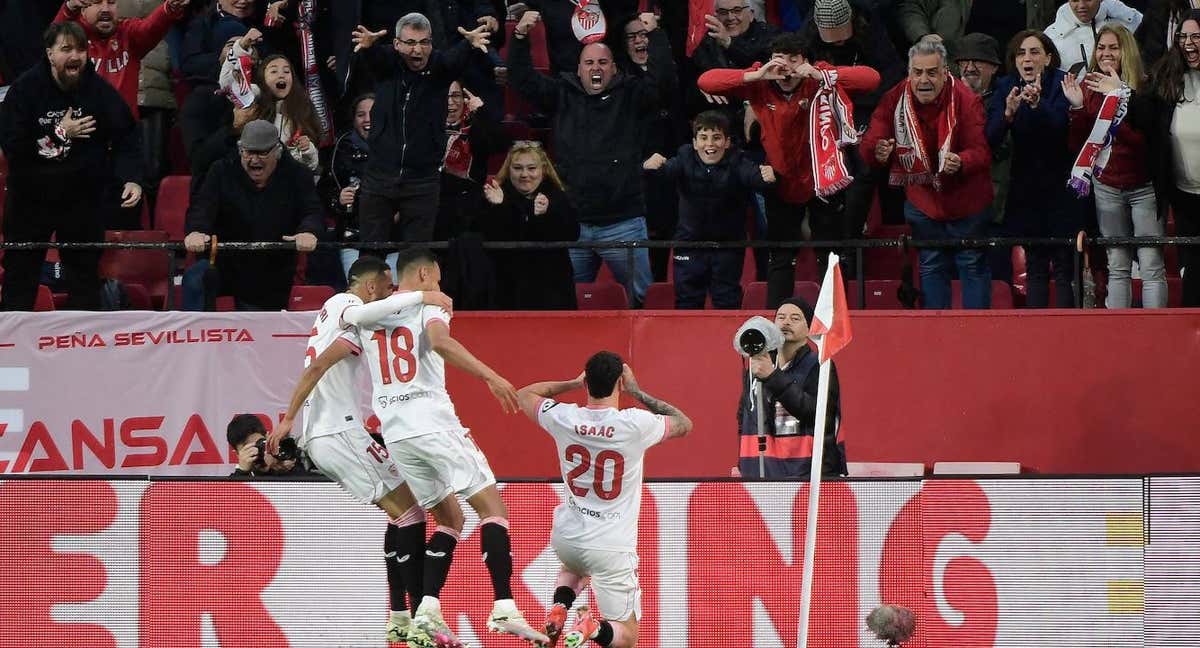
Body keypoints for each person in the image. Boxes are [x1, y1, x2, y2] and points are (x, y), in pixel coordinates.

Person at [357, 247, 547, 648]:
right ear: (425, 275)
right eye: (439, 279)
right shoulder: (432, 304)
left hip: (396, 432)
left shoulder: (370, 313)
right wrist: (491, 377)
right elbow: (439, 342)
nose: (441, 287)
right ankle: (504, 605)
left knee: (450, 518)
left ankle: (427, 606)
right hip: (432, 422)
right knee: (492, 508)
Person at [266, 256, 455, 643]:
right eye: (387, 289)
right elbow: (317, 366)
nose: (390, 296)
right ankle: (418, 621)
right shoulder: (353, 311)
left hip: (330, 433)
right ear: (371, 288)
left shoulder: (332, 306)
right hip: (339, 433)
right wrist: (288, 418)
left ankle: (400, 617)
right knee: (412, 517)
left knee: (401, 513)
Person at [516, 352, 692, 648]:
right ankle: (593, 627)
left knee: (576, 566)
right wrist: (637, 392)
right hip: (611, 546)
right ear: (620, 383)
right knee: (627, 635)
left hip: (567, 539)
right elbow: (683, 423)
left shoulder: (564, 416)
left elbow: (524, 394)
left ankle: (560, 607)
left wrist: (571, 382)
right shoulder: (635, 424)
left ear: (586, 382)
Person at [697, 31, 881, 308]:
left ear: (805, 61)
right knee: (781, 256)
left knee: (829, 255)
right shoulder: (760, 83)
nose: (785, 68)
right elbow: (706, 81)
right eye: (778, 60)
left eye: (792, 61)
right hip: (781, 182)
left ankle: (833, 320)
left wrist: (821, 76)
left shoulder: (819, 78)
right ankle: (777, 324)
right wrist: (753, 76)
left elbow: (871, 78)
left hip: (823, 179)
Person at [508, 10, 672, 307]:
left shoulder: (631, 94)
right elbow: (523, 82)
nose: (596, 68)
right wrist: (519, 38)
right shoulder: (562, 92)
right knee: (567, 300)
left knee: (644, 301)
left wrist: (657, 36)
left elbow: (663, 84)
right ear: (579, 69)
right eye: (589, 63)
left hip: (623, 222)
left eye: (602, 62)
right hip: (573, 222)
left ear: (614, 69)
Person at [0, 21, 143, 311]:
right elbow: (13, 147)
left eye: (80, 49)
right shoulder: (25, 89)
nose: (75, 56)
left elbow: (128, 134)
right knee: (19, 281)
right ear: (49, 54)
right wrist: (61, 133)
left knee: (85, 283)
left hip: (82, 199)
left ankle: (82, 351)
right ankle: (11, 352)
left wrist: (130, 178)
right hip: (30, 198)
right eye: (66, 49)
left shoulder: (97, 90)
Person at [864, 40, 995, 309]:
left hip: (967, 203)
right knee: (931, 264)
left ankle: (979, 336)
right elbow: (871, 140)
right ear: (909, 72)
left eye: (932, 73)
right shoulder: (894, 99)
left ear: (946, 71)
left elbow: (981, 152)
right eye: (918, 72)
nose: (924, 80)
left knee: (971, 265)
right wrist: (876, 151)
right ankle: (937, 337)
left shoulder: (967, 101)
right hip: (923, 202)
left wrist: (961, 161)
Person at [350, 13, 491, 248]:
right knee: (371, 254)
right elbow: (375, 58)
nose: (418, 50)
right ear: (397, 44)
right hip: (379, 177)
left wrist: (469, 44)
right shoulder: (387, 65)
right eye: (410, 43)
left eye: (424, 42)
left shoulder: (440, 69)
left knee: (416, 257)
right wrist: (367, 48)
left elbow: (454, 60)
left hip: (422, 180)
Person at [1064, 24, 1164, 308]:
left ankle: (1156, 334)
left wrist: (1120, 95)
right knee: (1117, 263)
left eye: (1113, 47)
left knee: (1150, 263)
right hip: (1106, 185)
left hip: (1144, 186)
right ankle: (1120, 334)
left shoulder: (1145, 86)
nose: (1106, 53)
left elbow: (1144, 144)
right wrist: (1078, 108)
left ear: (1126, 51)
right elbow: (1078, 144)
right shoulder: (1091, 86)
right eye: (1102, 47)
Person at [182, 119, 322, 310]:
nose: (254, 160)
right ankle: (195, 337)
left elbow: (312, 211)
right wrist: (196, 231)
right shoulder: (221, 171)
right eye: (249, 152)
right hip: (226, 265)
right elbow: (202, 207)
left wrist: (309, 231)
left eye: (262, 153)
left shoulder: (297, 175)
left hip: (273, 269)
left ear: (277, 152)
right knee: (195, 278)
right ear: (241, 150)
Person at [643, 110, 776, 309]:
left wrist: (767, 177)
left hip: (728, 247)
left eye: (716, 138)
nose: (710, 144)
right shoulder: (684, 156)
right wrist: (650, 165)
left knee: (727, 302)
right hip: (689, 245)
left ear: (727, 142)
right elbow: (665, 170)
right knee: (687, 303)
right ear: (695, 143)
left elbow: (755, 177)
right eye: (703, 138)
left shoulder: (738, 160)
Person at [987, 30, 1080, 308]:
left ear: (1049, 58)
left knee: (1064, 267)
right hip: (1026, 188)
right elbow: (989, 139)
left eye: (1034, 52)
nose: (1027, 59)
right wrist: (1007, 115)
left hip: (1061, 185)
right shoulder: (1006, 86)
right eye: (1020, 53)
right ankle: (1037, 336)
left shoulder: (1064, 83)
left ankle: (1067, 335)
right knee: (1036, 266)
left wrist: (1038, 105)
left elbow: (1061, 128)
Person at [1126, 9, 1200, 306]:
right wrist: (1120, 92)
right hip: (1185, 197)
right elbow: (1145, 116)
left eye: (1196, 36)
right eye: (1183, 37)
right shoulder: (1168, 77)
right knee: (1194, 275)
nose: (1189, 43)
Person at [737, 297, 848, 479]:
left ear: (809, 329)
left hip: (808, 473)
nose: (786, 322)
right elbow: (744, 417)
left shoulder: (820, 365)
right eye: (780, 317)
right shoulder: (756, 366)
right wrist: (745, 464)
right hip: (761, 472)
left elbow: (817, 414)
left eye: (795, 318)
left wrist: (772, 378)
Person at [479, 141, 579, 310]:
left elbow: (572, 234)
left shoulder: (558, 197)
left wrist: (546, 215)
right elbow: (491, 238)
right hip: (508, 290)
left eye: (531, 168)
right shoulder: (495, 195)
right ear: (508, 169)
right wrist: (500, 207)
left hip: (552, 290)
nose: (524, 174)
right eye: (517, 168)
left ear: (543, 169)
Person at [53, 0, 187, 117]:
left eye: (111, 2)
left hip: (123, 137)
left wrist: (169, 8)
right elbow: (53, 41)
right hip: (82, 135)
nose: (105, 9)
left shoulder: (128, 34)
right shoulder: (74, 38)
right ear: (83, 10)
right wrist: (69, 8)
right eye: (97, 2)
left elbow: (150, 26)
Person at [322, 92, 374, 278]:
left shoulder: (399, 145)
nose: (368, 120)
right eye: (361, 115)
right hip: (352, 238)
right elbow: (324, 193)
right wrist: (338, 199)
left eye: (373, 113)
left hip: (392, 241)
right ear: (353, 119)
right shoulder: (342, 148)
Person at [250, 53, 322, 172]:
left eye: (286, 71)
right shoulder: (253, 105)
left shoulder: (304, 107)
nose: (281, 76)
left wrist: (308, 150)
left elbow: (311, 165)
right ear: (262, 78)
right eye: (274, 71)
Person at [1045, 0, 1142, 73]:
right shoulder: (1051, 36)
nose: (1082, 5)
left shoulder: (1132, 21)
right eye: (1075, 0)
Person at [227, 413, 312, 478]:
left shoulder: (285, 459)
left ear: (267, 437)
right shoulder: (237, 479)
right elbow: (229, 498)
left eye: (260, 443)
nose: (257, 451)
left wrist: (286, 469)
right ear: (238, 454)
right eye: (248, 448)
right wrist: (242, 472)